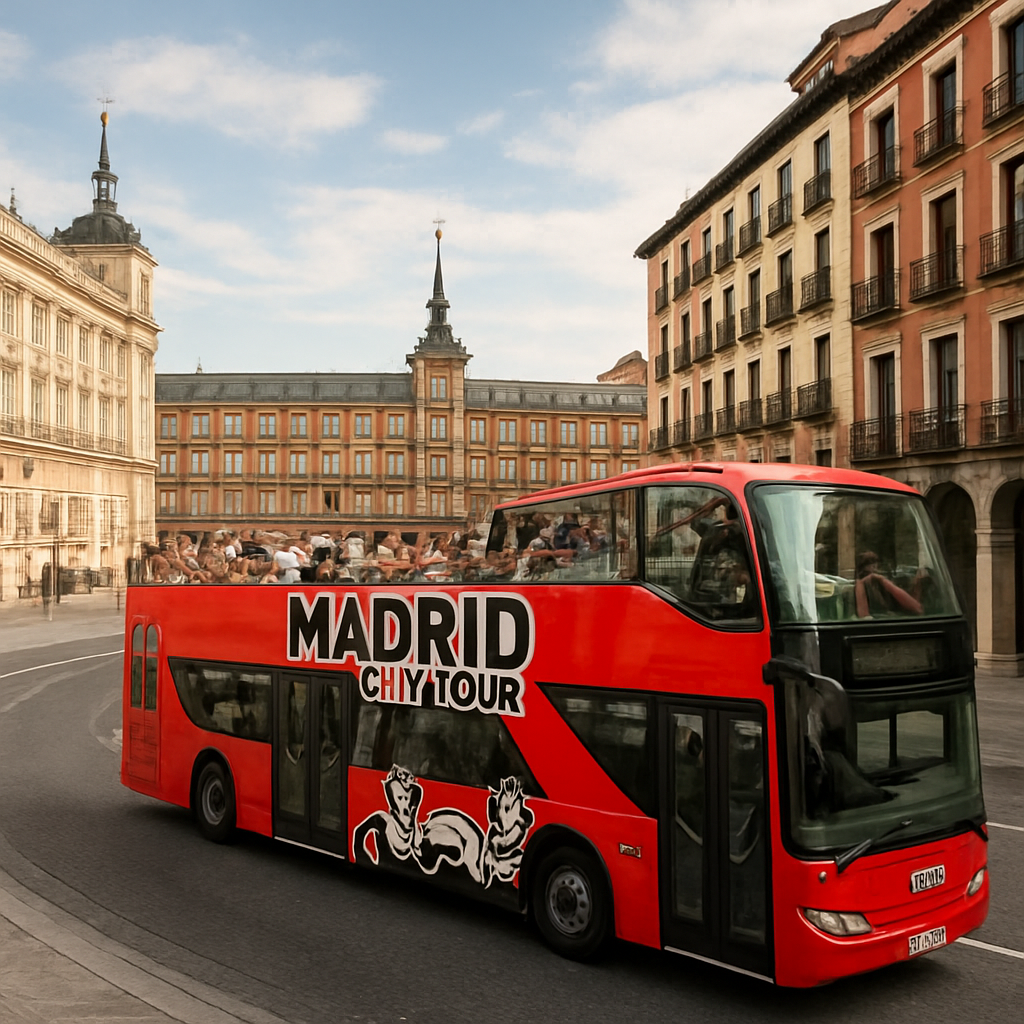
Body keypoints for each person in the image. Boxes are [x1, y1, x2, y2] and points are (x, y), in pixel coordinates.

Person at [854, 551, 922, 618]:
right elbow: (864, 616)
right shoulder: (862, 584)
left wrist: (883, 581)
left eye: (875, 562)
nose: (873, 566)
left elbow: (917, 608)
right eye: (869, 564)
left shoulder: (882, 581)